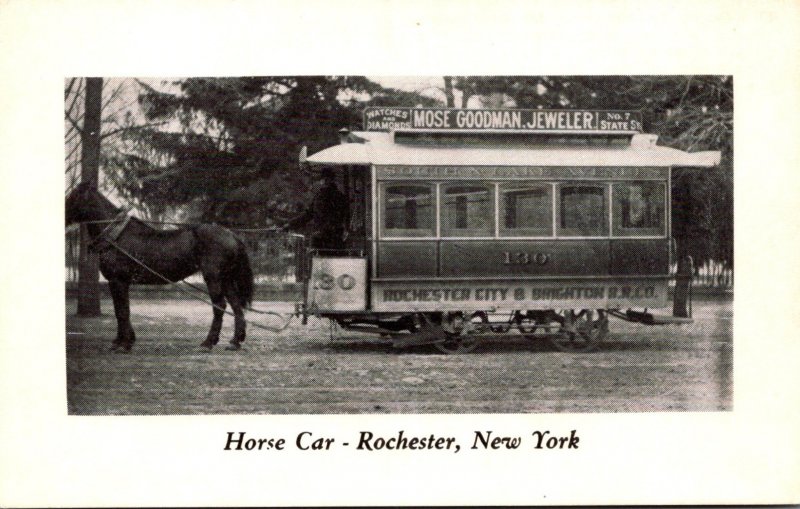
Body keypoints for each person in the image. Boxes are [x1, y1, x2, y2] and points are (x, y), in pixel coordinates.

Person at [285, 170, 348, 252]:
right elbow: (308, 214)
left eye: (321, 179)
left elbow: (337, 218)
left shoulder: (334, 196)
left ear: (327, 180)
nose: (320, 182)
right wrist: (290, 224)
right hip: (327, 238)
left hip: (329, 239)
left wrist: (322, 231)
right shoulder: (322, 195)